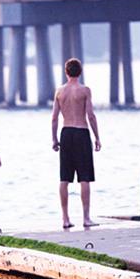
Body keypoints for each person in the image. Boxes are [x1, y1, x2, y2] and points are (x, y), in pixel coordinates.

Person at [51, 58, 101, 229]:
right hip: (81, 132)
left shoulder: (59, 91)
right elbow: (91, 115)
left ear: (66, 72)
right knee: (84, 177)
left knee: (64, 178)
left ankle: (65, 219)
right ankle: (86, 218)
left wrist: (54, 139)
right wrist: (97, 137)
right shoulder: (85, 90)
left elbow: (54, 118)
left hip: (66, 133)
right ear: (80, 72)